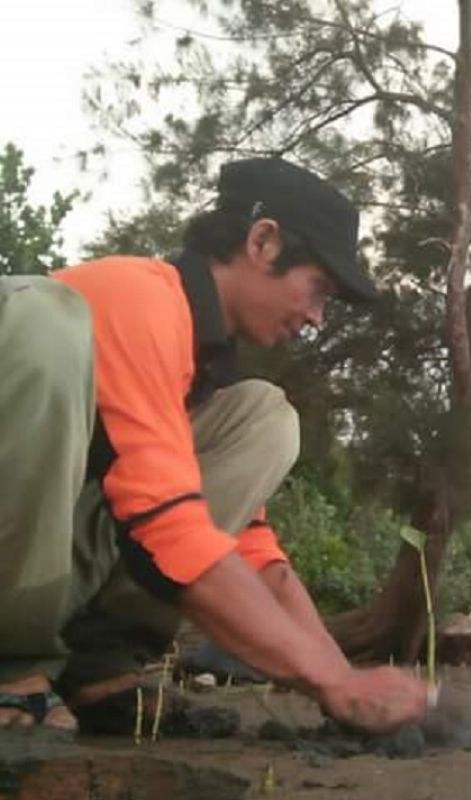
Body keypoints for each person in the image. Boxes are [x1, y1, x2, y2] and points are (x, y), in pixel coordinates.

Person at [0, 158, 430, 733]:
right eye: (318, 287)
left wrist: (341, 679)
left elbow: (245, 549)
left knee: (265, 418)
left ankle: (93, 662)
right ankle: (13, 666)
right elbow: (169, 529)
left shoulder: (198, 368)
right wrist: (331, 682)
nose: (316, 317)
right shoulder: (141, 297)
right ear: (262, 241)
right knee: (43, 325)